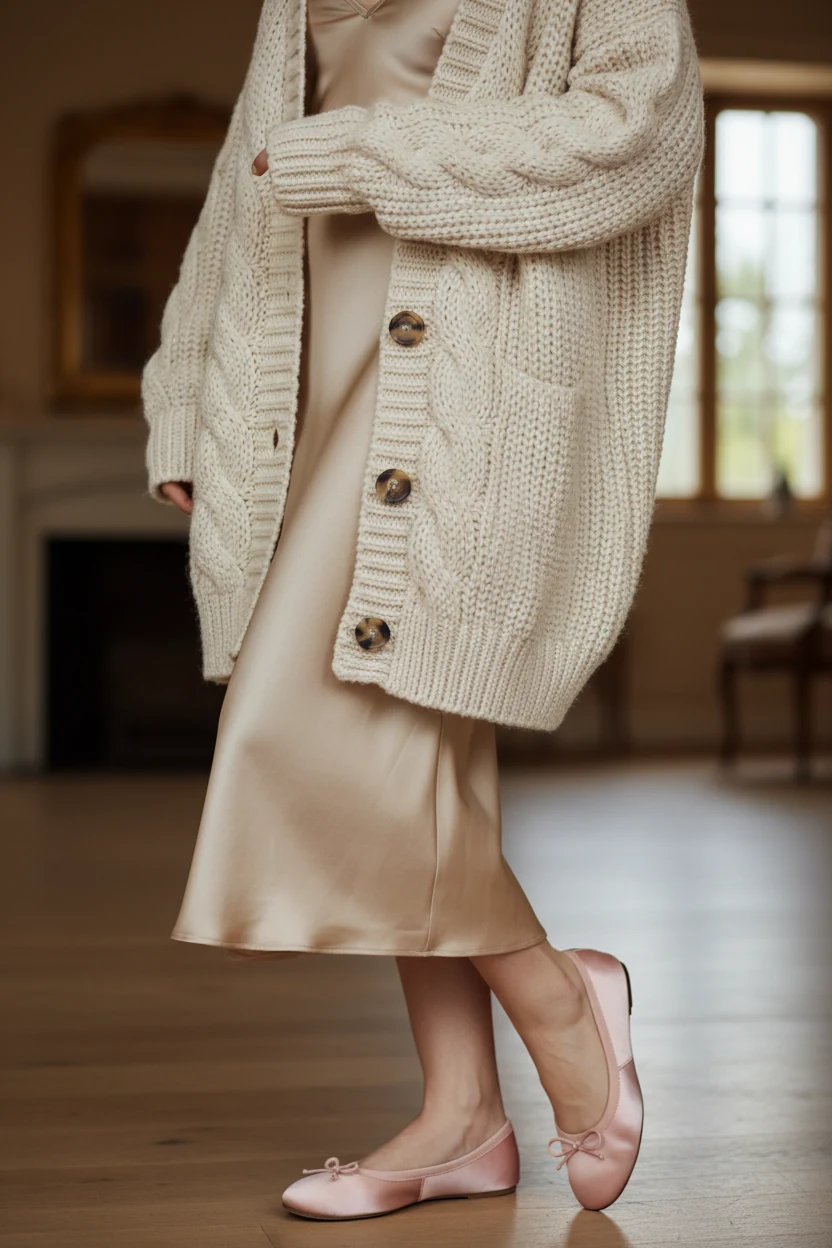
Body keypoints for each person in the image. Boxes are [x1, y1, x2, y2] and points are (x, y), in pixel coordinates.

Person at [142, 0, 703, 1221]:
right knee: (409, 756)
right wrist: (188, 391)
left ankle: (557, 999)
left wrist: (358, 154)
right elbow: (246, 179)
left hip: (465, 385)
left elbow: (636, 133)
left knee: (316, 731)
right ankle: (462, 1118)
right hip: (302, 383)